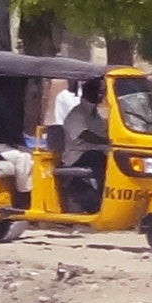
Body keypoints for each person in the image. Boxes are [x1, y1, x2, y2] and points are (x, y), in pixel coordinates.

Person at [60, 78, 109, 207]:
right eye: (100, 92)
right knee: (99, 158)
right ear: (90, 93)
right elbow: (84, 135)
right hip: (77, 156)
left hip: (94, 152)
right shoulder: (77, 114)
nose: (102, 96)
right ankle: (103, 197)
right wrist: (108, 141)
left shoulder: (95, 115)